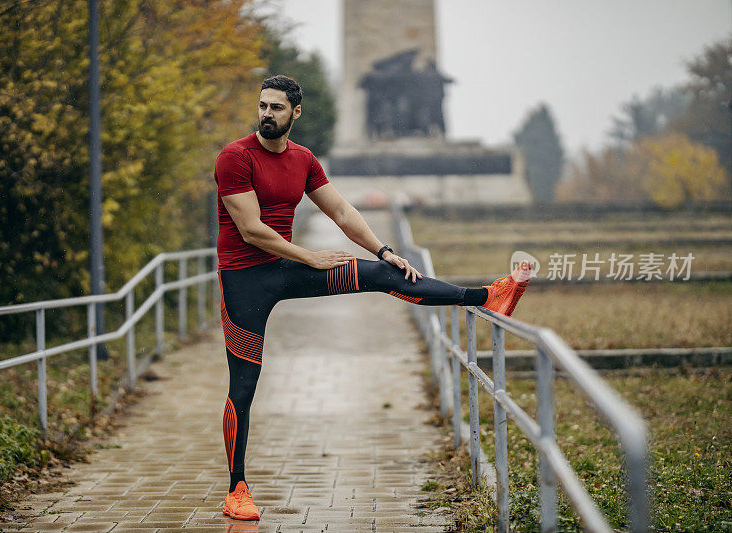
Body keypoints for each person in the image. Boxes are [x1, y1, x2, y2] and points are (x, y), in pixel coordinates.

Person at [215, 75, 531, 520]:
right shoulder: (235, 157)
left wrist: (385, 250)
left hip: (290, 267)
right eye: (262, 106)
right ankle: (237, 490)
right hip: (245, 278)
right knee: (243, 387)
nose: (267, 114)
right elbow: (251, 229)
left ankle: (487, 295)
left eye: (277, 108)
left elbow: (342, 212)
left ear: (295, 113)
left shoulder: (304, 159)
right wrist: (311, 257)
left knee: (387, 274)